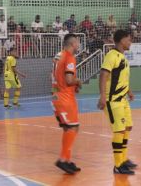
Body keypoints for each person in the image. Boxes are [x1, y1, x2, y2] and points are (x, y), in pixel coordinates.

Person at [97, 29, 137, 175]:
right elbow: (103, 75)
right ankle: (118, 165)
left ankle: (124, 159)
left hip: (123, 100)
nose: (130, 42)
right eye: (129, 39)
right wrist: (102, 96)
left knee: (127, 128)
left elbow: (121, 79)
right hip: (113, 100)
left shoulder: (123, 57)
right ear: (121, 40)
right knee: (119, 130)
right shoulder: (111, 55)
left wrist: (129, 91)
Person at [52, 33, 82, 175]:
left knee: (68, 128)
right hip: (65, 98)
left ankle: (67, 161)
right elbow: (69, 80)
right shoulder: (69, 57)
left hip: (57, 96)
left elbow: (57, 76)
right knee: (73, 128)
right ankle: (63, 159)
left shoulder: (58, 55)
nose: (79, 44)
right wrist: (78, 81)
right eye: (77, 42)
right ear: (72, 44)